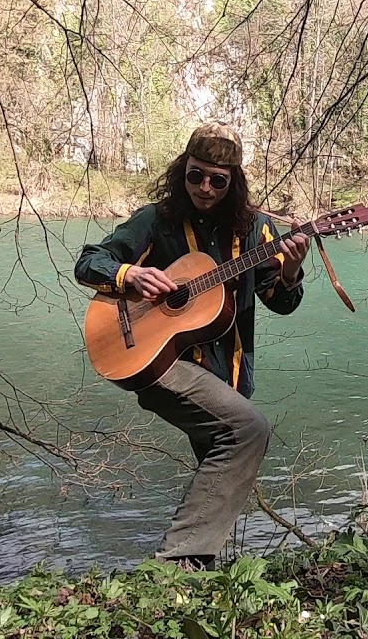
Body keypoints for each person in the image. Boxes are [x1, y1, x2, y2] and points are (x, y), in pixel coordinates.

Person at [74, 122, 309, 570]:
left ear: (233, 182)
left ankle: (198, 578)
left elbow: (281, 302)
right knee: (248, 430)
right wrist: (132, 275)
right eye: (195, 175)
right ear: (183, 170)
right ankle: (176, 561)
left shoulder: (257, 230)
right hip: (161, 362)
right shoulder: (156, 221)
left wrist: (291, 272)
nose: (205, 187)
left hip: (229, 373)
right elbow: (89, 261)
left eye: (218, 180)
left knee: (222, 468)